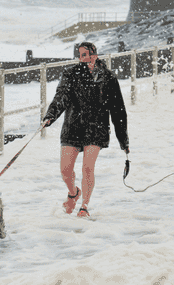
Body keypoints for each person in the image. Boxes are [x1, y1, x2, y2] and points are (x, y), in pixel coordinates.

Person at [42, 42, 129, 217]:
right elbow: (62, 96)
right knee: (65, 170)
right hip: (73, 127)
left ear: (95, 55)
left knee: (88, 168)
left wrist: (123, 140)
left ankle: (84, 207)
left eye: (86, 54)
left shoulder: (108, 77)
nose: (83, 58)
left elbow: (118, 110)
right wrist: (51, 115)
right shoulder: (70, 74)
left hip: (96, 128)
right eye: (80, 55)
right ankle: (73, 193)